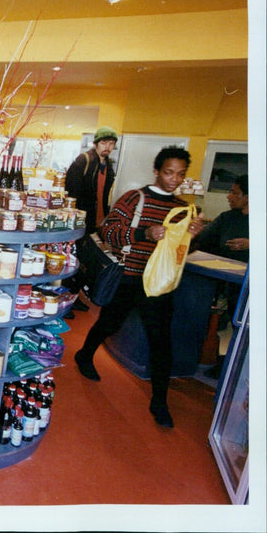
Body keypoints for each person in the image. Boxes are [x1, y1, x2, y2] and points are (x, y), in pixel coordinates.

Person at [73, 146, 205, 428]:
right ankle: (84, 354)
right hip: (129, 276)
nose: (174, 179)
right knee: (110, 322)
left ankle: (159, 402)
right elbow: (107, 231)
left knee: (161, 343)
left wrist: (192, 237)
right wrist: (143, 233)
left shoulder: (181, 208)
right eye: (169, 172)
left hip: (159, 283)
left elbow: (181, 250)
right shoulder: (136, 198)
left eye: (180, 174)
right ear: (157, 171)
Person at [190, 174, 249, 378]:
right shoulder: (227, 218)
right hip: (231, 287)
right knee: (235, 326)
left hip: (252, 287)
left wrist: (253, 244)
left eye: (234, 192)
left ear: (248, 197)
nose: (229, 196)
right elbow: (204, 238)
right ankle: (228, 366)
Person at [64, 126, 118, 313]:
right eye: (104, 142)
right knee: (74, 259)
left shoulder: (108, 166)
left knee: (86, 261)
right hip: (81, 221)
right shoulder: (84, 160)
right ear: (96, 143)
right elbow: (71, 190)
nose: (108, 147)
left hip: (97, 222)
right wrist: (77, 219)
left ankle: (74, 296)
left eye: (111, 144)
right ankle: (66, 300)